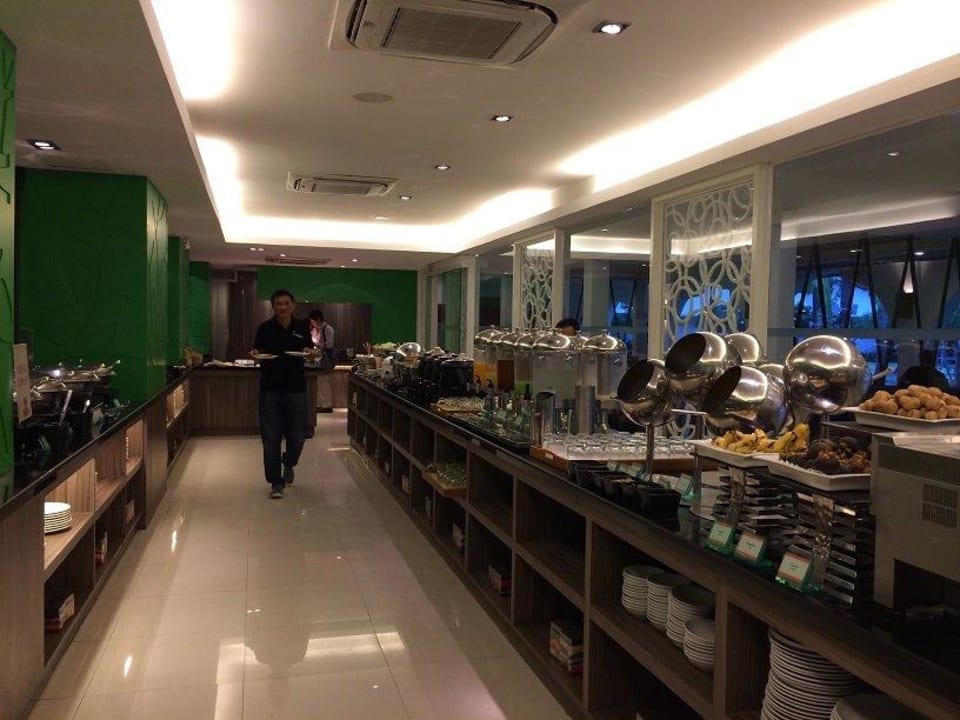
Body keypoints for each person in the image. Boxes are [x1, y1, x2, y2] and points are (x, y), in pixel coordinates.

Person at [252, 289, 316, 499]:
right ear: (273, 306)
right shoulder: (265, 328)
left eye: (286, 303)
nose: (283, 307)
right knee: (270, 438)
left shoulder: (301, 327)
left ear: (293, 305)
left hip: (296, 389)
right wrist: (256, 354)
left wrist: (310, 353)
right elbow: (258, 351)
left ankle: (289, 462)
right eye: (278, 304)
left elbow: (308, 350)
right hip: (270, 389)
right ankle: (276, 482)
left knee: (298, 435)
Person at [309, 310, 335, 412]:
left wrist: (317, 345)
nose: (312, 323)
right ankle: (321, 404)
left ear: (318, 319)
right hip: (321, 358)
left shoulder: (328, 329)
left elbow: (330, 345)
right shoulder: (317, 330)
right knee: (320, 381)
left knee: (325, 381)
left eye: (313, 321)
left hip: (326, 359)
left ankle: (327, 405)